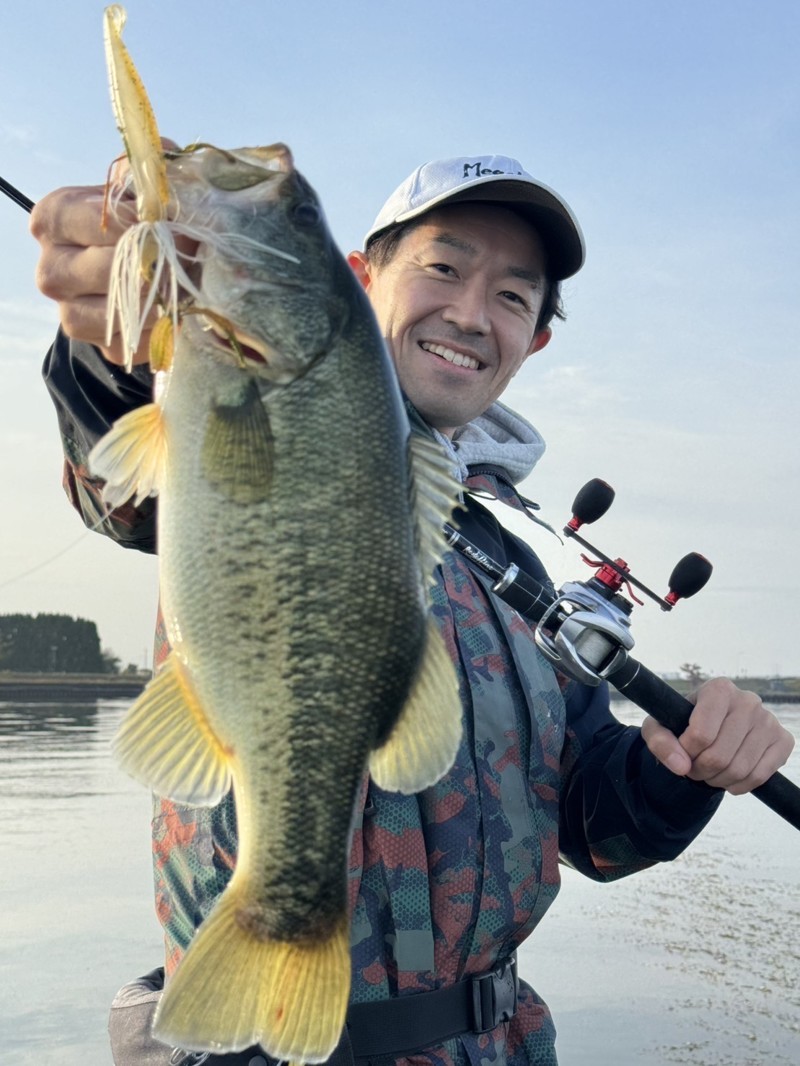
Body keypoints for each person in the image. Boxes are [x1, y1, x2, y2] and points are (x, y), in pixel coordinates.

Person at [31, 153, 794, 1066]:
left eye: (514, 297)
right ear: (360, 278)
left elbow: (593, 832)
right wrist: (115, 338)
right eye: (442, 266)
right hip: (257, 1044)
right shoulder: (245, 404)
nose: (472, 313)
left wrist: (681, 771)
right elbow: (126, 474)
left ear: (533, 342)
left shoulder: (516, 573)